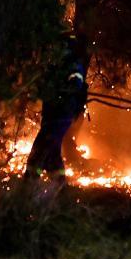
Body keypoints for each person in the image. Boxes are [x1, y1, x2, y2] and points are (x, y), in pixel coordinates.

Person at [25, 33, 89, 180]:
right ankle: (59, 188)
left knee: (40, 149)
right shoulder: (55, 65)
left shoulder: (73, 65)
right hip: (51, 114)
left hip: (61, 114)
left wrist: (57, 90)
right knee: (52, 152)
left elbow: (76, 84)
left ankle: (28, 183)